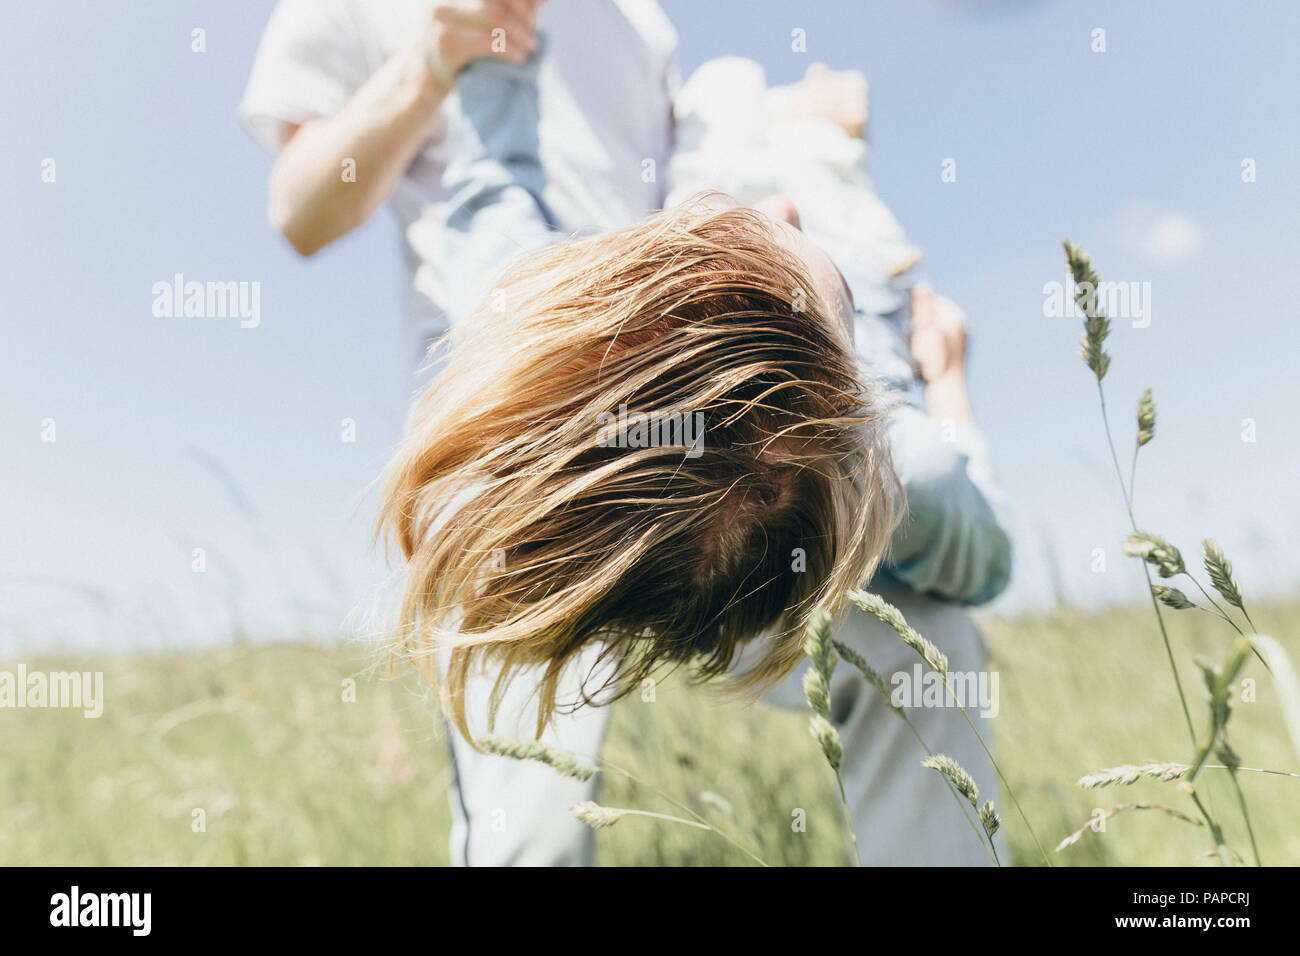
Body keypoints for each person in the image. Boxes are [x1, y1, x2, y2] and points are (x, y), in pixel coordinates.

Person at [377, 39, 1013, 866]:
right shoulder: (906, 466)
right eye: (845, 311)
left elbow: (492, 178)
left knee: (725, 88)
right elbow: (989, 556)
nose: (782, 207)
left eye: (727, 230)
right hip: (852, 262)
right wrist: (949, 384)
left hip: (641, 543)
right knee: (743, 91)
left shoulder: (532, 313)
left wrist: (495, 37)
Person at [239, 0, 678, 386]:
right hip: (484, 403)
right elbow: (301, 214)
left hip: (652, 381)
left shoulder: (642, 20)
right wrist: (428, 69)